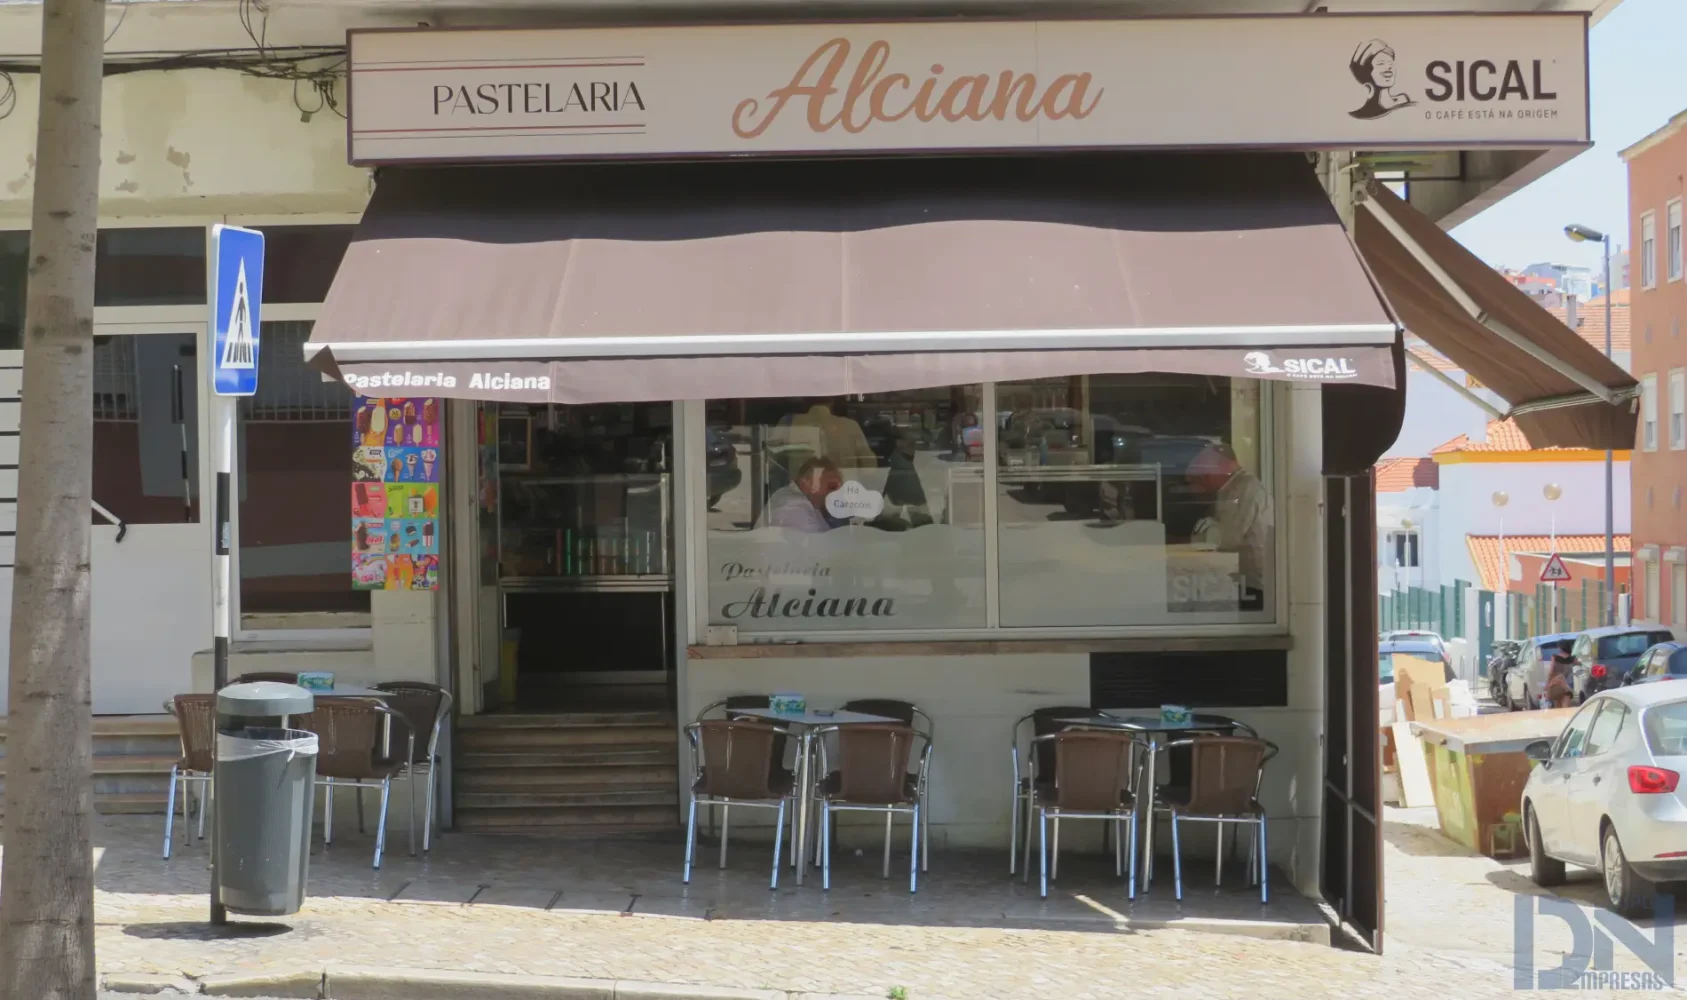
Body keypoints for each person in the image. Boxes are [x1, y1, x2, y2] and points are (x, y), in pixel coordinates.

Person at [1188, 443, 1272, 611]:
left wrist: (1207, 537)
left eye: (1207, 472)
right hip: (1244, 576)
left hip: (1257, 581)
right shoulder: (1227, 489)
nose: (1205, 478)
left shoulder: (1246, 488)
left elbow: (1230, 538)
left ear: (1223, 465)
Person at [762, 457, 843, 532]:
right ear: (806, 483)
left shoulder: (796, 500)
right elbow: (813, 545)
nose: (837, 493)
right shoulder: (794, 509)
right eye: (832, 486)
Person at [1348, 39, 1415, 120]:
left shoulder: (1404, 99)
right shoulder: (1364, 113)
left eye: (1391, 63)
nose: (1389, 67)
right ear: (1367, 72)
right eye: (1381, 63)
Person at [1544, 640, 1576, 709]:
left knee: (1558, 707)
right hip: (1568, 685)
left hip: (1557, 684)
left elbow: (1551, 671)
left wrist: (1547, 683)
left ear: (1561, 647)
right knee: (1566, 707)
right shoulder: (1572, 659)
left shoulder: (1555, 657)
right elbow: (1581, 664)